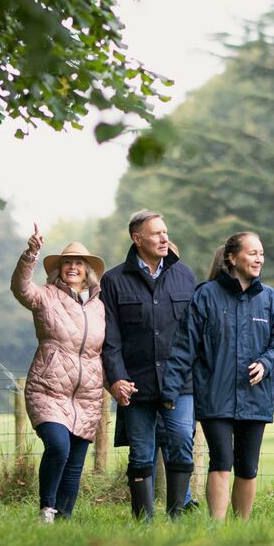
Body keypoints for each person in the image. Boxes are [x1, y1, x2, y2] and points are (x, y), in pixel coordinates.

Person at [175, 228, 274, 524]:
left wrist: (267, 363)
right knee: (222, 460)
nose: (259, 259)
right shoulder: (205, 295)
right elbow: (185, 345)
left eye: (262, 254)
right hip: (215, 395)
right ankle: (216, 526)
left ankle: (240, 527)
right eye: (253, 253)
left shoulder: (271, 299)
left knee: (248, 465)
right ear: (232, 257)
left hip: (255, 396)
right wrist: (171, 388)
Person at [98, 210, 200, 518]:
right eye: (156, 233)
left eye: (165, 232)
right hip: (136, 385)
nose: (164, 237)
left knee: (182, 441)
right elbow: (111, 339)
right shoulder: (114, 281)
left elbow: (193, 335)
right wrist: (116, 379)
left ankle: (177, 514)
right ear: (137, 238)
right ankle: (143, 520)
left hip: (180, 384)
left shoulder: (185, 276)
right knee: (141, 453)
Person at [10, 227, 109, 522]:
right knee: (58, 445)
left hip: (88, 394)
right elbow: (20, 288)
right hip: (48, 388)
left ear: (88, 270)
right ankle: (47, 509)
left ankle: (64, 520)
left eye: (79, 263)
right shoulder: (45, 297)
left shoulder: (100, 306)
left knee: (75, 462)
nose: (73, 268)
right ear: (59, 269)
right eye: (67, 263)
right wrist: (30, 254)